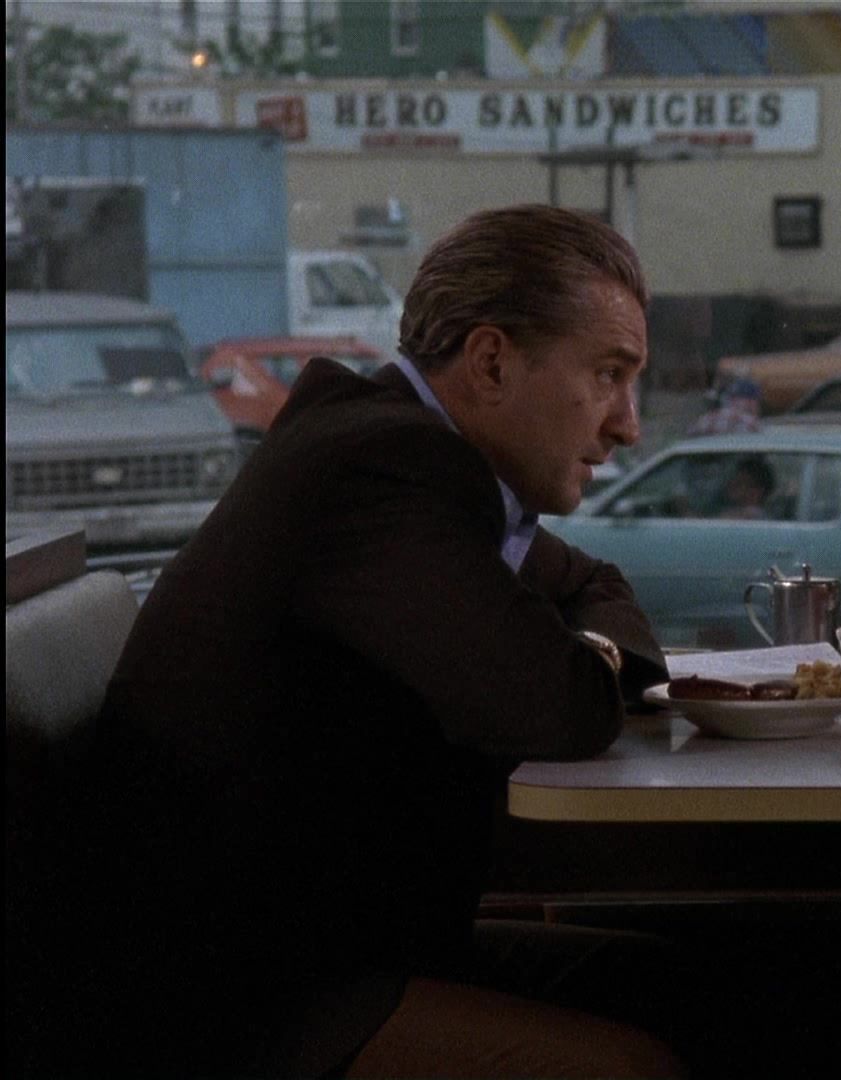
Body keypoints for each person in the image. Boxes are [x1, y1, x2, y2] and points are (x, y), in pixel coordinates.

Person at [54, 205, 707, 1078]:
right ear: (491, 362)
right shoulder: (384, 471)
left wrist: (587, 654)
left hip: (321, 949)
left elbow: (597, 585)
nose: (627, 424)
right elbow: (560, 706)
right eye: (608, 374)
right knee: (628, 1065)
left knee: (671, 981)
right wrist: (592, 663)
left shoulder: (404, 456)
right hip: (238, 1003)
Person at [687, 375, 762, 436]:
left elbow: (690, 434)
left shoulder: (707, 418)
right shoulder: (751, 423)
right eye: (755, 401)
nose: (756, 406)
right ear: (750, 402)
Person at [716, 455, 777, 519]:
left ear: (756, 492)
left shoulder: (752, 518)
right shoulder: (732, 512)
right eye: (734, 479)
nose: (731, 484)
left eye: (739, 482)